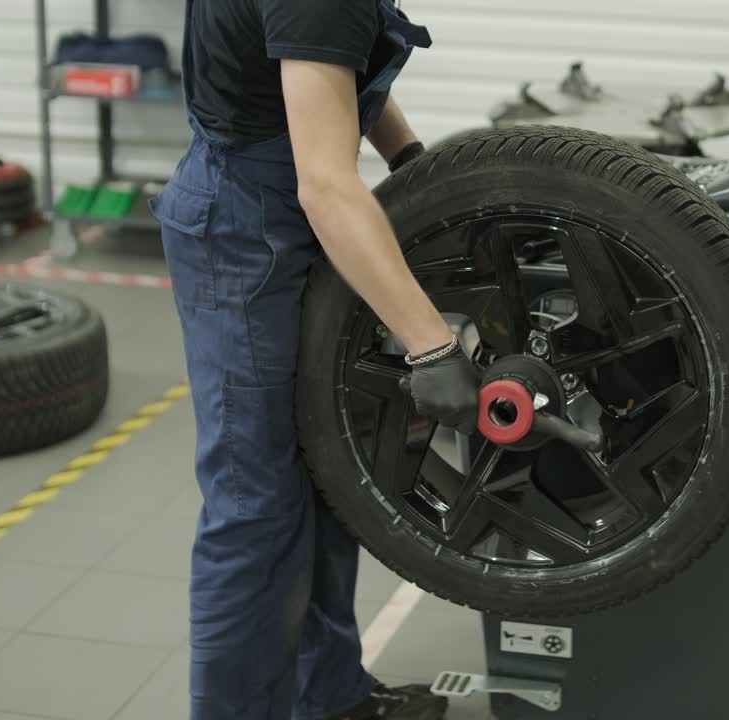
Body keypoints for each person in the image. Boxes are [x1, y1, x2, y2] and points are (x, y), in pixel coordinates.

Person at [150, 0, 480, 718]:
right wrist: (434, 345)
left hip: (278, 207)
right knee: (255, 510)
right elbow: (328, 185)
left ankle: (328, 698)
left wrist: (407, 157)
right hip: (241, 230)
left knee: (326, 475)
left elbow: (324, 62)